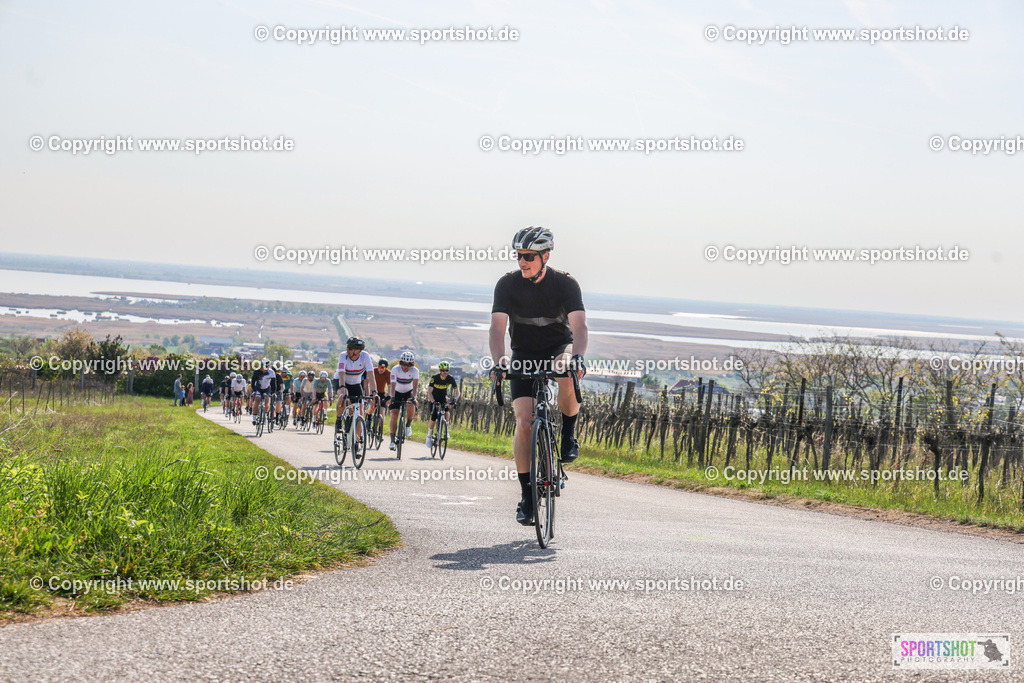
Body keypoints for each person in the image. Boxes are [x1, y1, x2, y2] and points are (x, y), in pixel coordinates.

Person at [489, 227, 588, 526]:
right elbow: (496, 329)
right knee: (524, 421)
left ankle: (569, 432)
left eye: (529, 256)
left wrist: (578, 357)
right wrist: (499, 362)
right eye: (519, 256)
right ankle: (527, 495)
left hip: (559, 347)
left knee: (566, 370)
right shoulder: (506, 284)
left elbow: (580, 327)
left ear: (546, 256)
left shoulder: (565, 283)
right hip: (523, 353)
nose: (522, 262)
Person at [333, 337, 375, 438]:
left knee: (361, 412)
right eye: (348, 347)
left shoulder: (365, 356)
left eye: (351, 348)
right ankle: (338, 420)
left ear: (358, 351)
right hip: (340, 381)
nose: (348, 349)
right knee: (343, 395)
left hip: (356, 384)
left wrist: (374, 392)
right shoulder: (343, 356)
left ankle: (357, 440)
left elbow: (371, 375)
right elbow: (342, 372)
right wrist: (342, 386)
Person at [388, 351, 419, 450]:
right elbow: (392, 386)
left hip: (408, 392)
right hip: (396, 392)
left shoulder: (415, 371)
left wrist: (414, 397)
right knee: (394, 413)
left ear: (412, 364)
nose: (406, 367)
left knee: (411, 404)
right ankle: (392, 441)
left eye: (409, 365)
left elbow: (415, 387)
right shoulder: (395, 369)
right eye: (404, 364)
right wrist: (392, 397)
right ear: (401, 363)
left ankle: (408, 424)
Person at [426, 361, 460, 449]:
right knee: (433, 417)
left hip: (443, 398)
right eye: (443, 370)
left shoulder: (450, 378)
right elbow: (429, 392)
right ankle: (429, 436)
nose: (445, 372)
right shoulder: (435, 378)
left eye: (447, 370)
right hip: (434, 398)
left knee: (447, 410)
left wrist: (454, 400)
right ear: (440, 370)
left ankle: (446, 430)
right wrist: (433, 402)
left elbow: (457, 392)